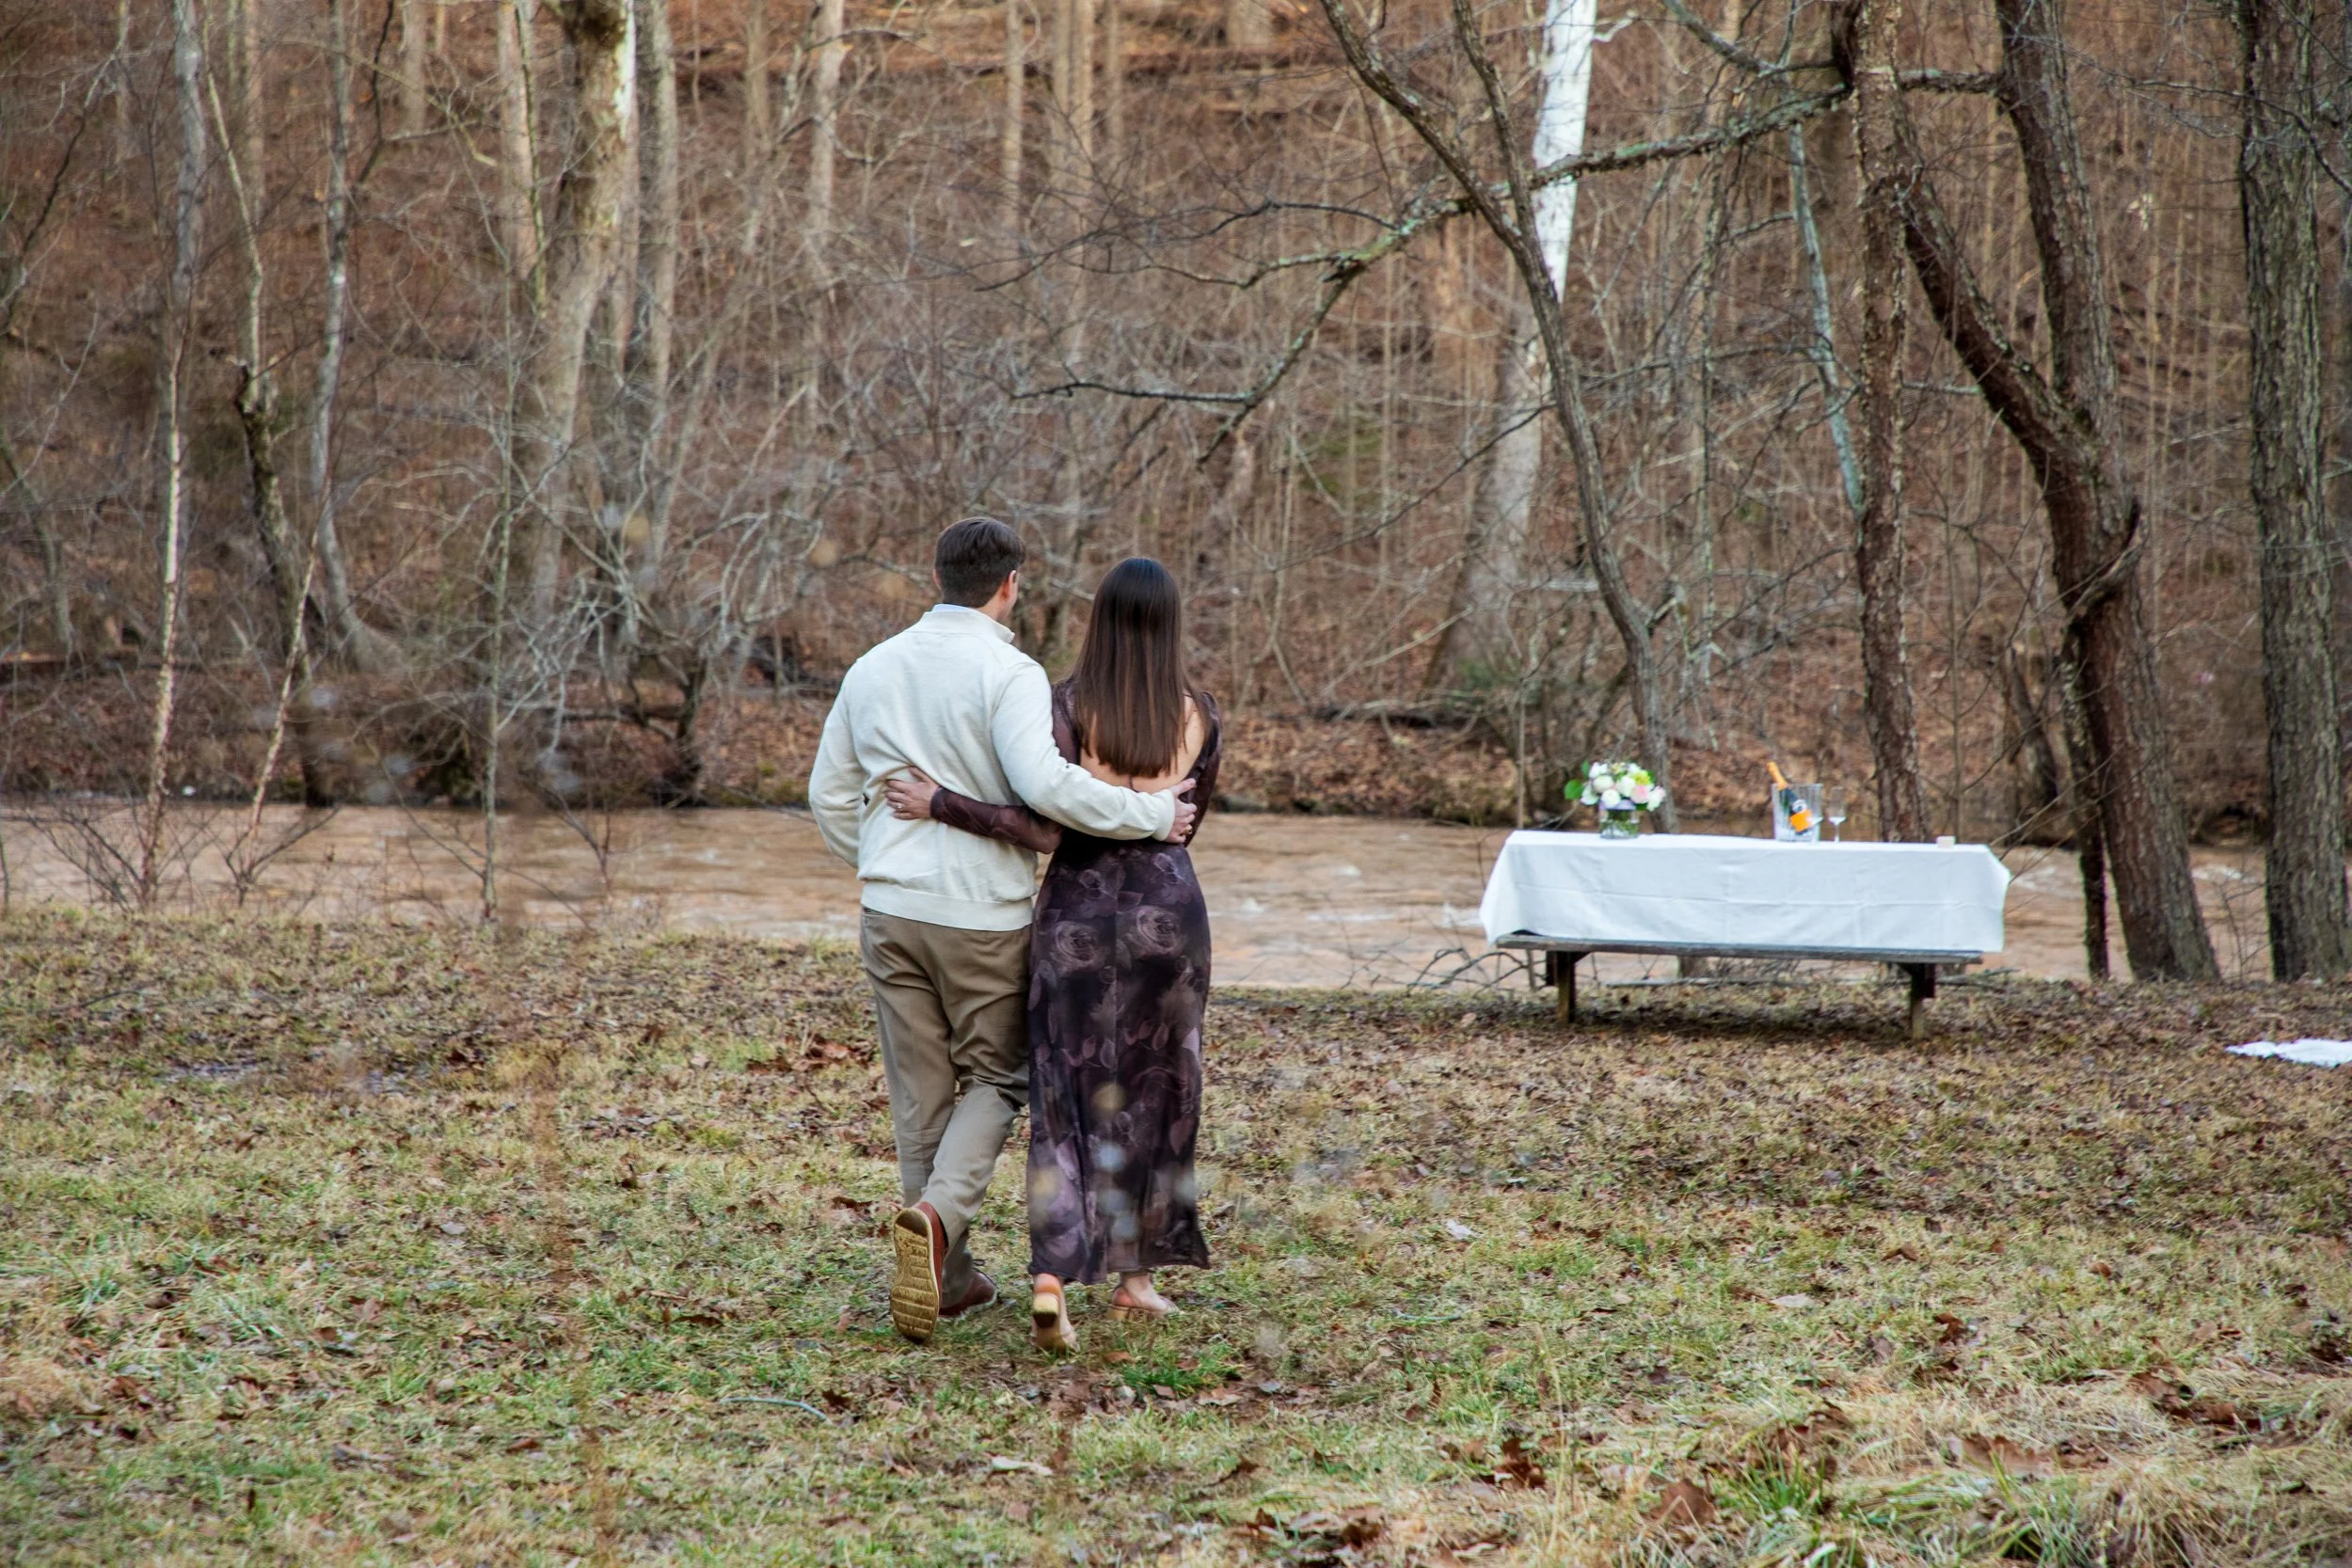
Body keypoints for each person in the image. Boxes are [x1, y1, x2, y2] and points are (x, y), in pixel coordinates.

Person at [807, 519, 1199, 1344]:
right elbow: (1048, 789)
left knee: (920, 1096)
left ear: (937, 573)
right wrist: (1151, 812)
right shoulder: (1010, 671)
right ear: (1011, 583)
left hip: (890, 908)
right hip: (980, 914)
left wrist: (876, 859)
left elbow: (828, 794)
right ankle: (940, 1218)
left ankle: (945, 1281)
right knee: (1000, 1078)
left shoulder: (872, 667)